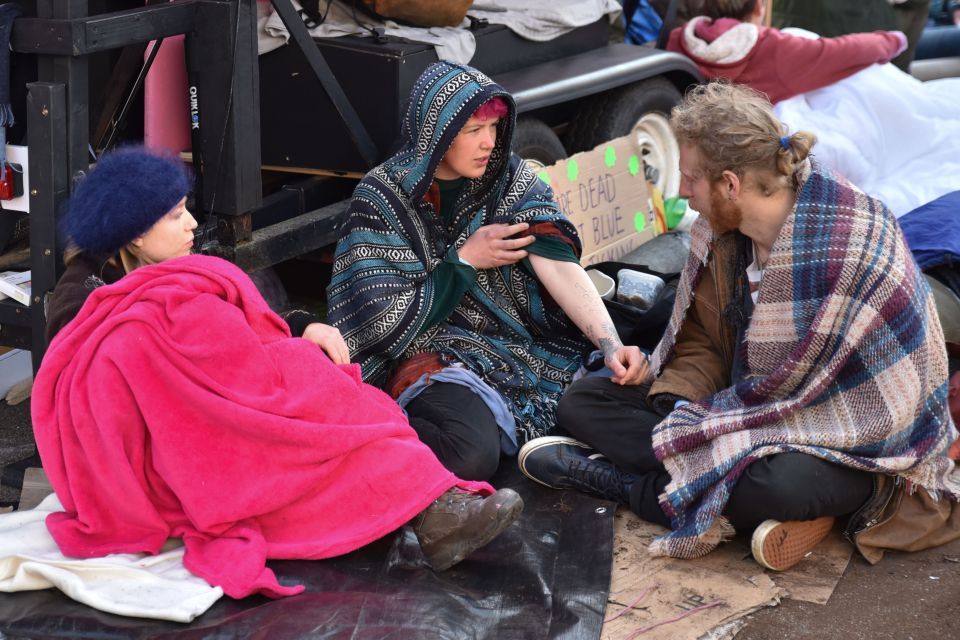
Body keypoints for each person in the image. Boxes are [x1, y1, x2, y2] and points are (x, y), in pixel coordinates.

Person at [33, 147, 524, 600]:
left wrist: (302, 326)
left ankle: (432, 505)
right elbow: (98, 378)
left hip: (228, 397)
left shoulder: (173, 262)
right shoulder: (86, 297)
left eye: (185, 208)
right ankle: (431, 511)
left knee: (332, 396)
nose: (191, 224)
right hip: (175, 442)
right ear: (136, 233)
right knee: (305, 435)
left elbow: (240, 324)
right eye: (176, 215)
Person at [519, 82, 960, 571]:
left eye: (691, 180)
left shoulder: (852, 242)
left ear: (730, 184)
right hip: (749, 413)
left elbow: (889, 408)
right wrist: (673, 393)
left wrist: (724, 430)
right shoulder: (723, 232)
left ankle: (630, 487)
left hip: (852, 440)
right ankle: (738, 491)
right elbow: (707, 339)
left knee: (773, 484)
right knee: (585, 402)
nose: (683, 193)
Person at [327, 61, 647, 482]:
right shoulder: (382, 196)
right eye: (472, 131)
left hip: (517, 344)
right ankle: (375, 437)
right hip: (425, 353)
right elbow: (377, 322)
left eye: (494, 127)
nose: (488, 143)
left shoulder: (507, 177)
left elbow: (556, 262)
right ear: (436, 132)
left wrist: (609, 345)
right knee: (468, 455)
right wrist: (464, 262)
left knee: (638, 362)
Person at [666, 0, 907, 103]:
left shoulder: (681, 37)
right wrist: (892, 41)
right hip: (747, 155)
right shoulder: (771, 48)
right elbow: (842, 52)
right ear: (759, 7)